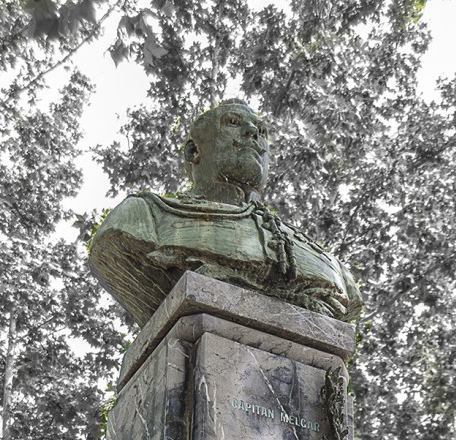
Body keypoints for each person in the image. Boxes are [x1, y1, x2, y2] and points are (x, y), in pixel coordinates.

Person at [88, 98, 362, 327]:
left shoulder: (331, 267)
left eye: (261, 131)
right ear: (194, 151)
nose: (253, 132)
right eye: (233, 122)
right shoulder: (144, 218)